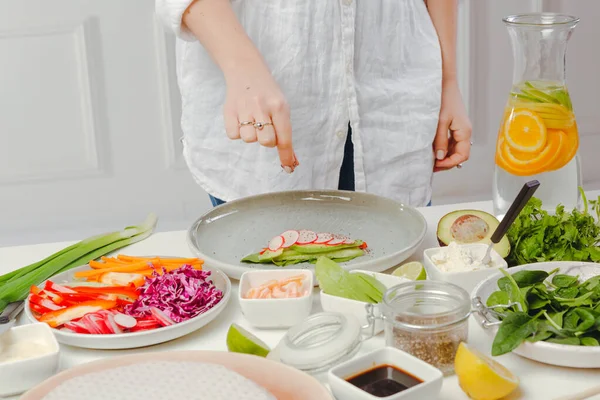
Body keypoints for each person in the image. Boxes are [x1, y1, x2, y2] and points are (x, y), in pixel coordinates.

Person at [155, 0, 472, 207]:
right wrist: (243, 68)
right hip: (259, 106)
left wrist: (449, 81)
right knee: (269, 296)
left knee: (389, 294)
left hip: (394, 98)